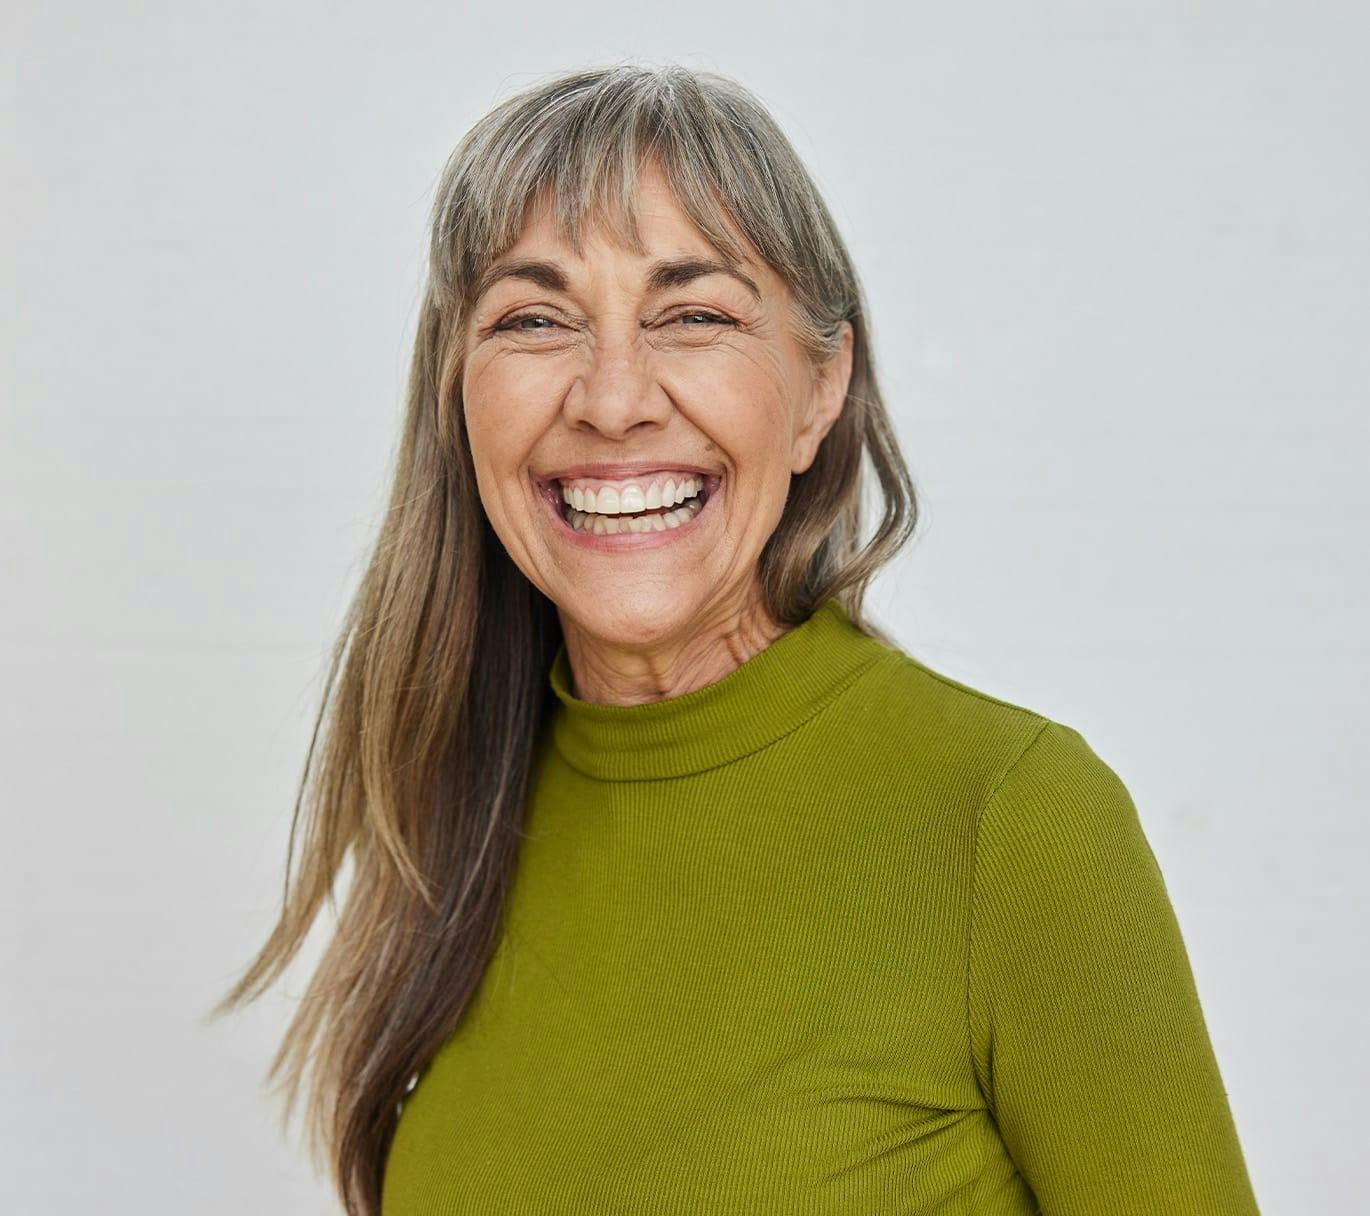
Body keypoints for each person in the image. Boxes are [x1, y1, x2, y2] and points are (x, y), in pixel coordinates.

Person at [214, 63, 1261, 1216]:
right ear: (458, 393)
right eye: (534, 319)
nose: (612, 399)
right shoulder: (451, 832)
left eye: (694, 315)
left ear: (819, 389)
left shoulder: (1009, 818)